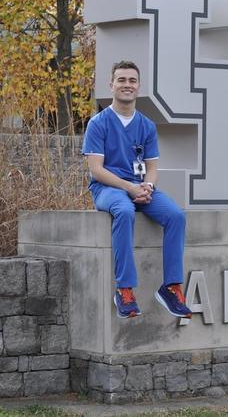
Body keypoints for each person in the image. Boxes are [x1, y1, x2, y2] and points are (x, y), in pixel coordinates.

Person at [82, 60, 192, 319]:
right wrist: (130, 188)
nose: (127, 85)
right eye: (121, 80)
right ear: (111, 85)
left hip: (139, 188)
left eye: (132, 80)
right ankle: (125, 290)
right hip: (108, 188)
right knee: (124, 211)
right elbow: (96, 169)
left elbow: (153, 167)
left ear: (138, 86)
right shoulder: (98, 123)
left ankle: (171, 287)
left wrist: (148, 186)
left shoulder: (147, 125)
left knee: (176, 216)